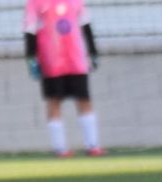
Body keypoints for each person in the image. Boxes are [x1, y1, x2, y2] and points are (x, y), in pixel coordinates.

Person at [23, 0, 105, 157]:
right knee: (54, 101)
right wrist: (31, 57)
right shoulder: (34, 2)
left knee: (84, 99)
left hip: (76, 60)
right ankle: (60, 148)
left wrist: (92, 51)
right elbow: (30, 30)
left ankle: (93, 145)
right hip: (51, 61)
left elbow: (85, 25)